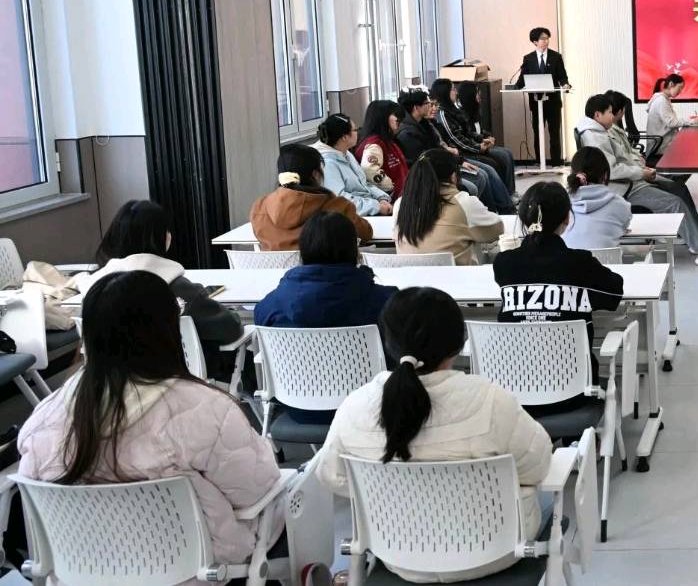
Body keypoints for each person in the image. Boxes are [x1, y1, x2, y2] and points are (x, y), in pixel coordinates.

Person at [19, 271, 282, 568]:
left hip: (82, 570)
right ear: (167, 330)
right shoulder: (206, 409)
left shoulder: (47, 417)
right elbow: (256, 489)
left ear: (87, 336)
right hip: (193, 568)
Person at [312, 287, 552, 583]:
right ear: (458, 343)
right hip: (495, 552)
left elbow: (332, 476)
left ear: (388, 342)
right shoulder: (491, 400)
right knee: (544, 502)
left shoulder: (355, 406)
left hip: (398, 553)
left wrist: (397, 496)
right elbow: (538, 465)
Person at [255, 212, 398, 426]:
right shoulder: (386, 301)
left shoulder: (270, 306)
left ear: (303, 250)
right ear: (354, 249)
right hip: (372, 408)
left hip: (297, 408)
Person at [87, 200, 243, 379]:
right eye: (166, 230)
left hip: (113, 379)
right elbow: (229, 328)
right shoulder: (176, 287)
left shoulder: (97, 288)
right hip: (176, 376)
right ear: (157, 237)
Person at [575, 93, 698, 268]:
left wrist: (641, 168)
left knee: (677, 187)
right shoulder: (595, 136)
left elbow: (623, 157)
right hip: (625, 186)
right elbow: (612, 170)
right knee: (674, 203)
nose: (613, 117)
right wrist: (641, 173)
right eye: (610, 113)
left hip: (633, 177)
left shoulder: (602, 130)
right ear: (598, 115)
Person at [494, 182, 625, 390]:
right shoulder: (580, 263)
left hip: (517, 390)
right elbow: (614, 293)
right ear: (567, 218)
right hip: (574, 390)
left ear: (524, 219)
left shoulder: (503, 263)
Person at [395, 90, 513, 214]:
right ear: (416, 108)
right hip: (434, 172)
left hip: (448, 160)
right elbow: (427, 158)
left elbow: (441, 147)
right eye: (427, 103)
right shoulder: (408, 132)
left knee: (489, 167)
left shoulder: (425, 123)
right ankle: (487, 213)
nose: (431, 107)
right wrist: (458, 161)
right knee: (480, 177)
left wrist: (461, 159)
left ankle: (497, 210)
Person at [250, 144, 373, 251]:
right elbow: (365, 233)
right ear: (315, 174)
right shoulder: (338, 206)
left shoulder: (260, 207)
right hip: (324, 270)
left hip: (276, 271)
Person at [394, 149, 505, 265]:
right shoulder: (463, 203)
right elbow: (497, 231)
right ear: (453, 176)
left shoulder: (400, 204)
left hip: (410, 275)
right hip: (458, 275)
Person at [429, 78, 517, 187]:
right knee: (493, 165)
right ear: (445, 92)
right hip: (463, 152)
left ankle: (509, 193)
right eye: (453, 89)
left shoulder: (454, 109)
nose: (456, 92)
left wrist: (483, 139)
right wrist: (478, 147)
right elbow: (456, 138)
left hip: (470, 148)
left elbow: (468, 132)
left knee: (504, 155)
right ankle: (504, 197)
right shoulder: (443, 113)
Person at [315, 113, 393, 217]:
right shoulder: (328, 164)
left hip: (369, 207)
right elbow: (340, 201)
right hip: (355, 215)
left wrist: (381, 198)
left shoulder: (346, 153)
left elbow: (364, 184)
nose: (358, 132)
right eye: (355, 130)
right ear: (344, 137)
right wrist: (376, 207)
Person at [513, 26, 569, 162]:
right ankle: (540, 161)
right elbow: (522, 79)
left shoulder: (556, 57)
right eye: (543, 39)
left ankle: (556, 162)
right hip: (536, 101)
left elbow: (562, 77)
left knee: (554, 132)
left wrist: (565, 84)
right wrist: (514, 87)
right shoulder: (528, 59)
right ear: (535, 41)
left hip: (553, 101)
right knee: (537, 132)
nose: (546, 41)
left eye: (547, 38)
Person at [562, 147, 632, 251]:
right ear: (605, 175)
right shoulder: (621, 205)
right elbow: (623, 228)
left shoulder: (561, 203)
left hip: (568, 261)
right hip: (608, 261)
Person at [355, 99, 408, 202]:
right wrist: (391, 187)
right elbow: (369, 169)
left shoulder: (386, 140)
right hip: (389, 200)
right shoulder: (375, 143)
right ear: (383, 117)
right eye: (396, 116)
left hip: (398, 197)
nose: (400, 121)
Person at [646, 74, 698, 161]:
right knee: (692, 151)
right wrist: (691, 121)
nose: (680, 91)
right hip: (660, 147)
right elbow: (671, 123)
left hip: (664, 141)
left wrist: (689, 120)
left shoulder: (664, 99)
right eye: (680, 88)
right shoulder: (661, 101)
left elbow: (671, 121)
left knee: (690, 147)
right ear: (671, 84)